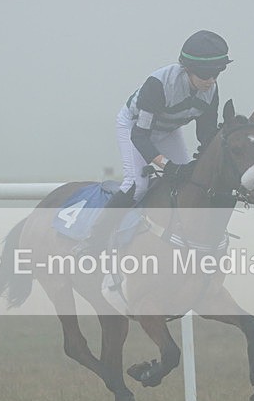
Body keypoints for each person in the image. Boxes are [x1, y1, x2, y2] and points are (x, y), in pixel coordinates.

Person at [77, 30, 232, 254]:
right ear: (188, 69)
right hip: (134, 127)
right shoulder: (158, 84)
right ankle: (92, 241)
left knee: (189, 181)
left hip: (168, 129)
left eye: (216, 74)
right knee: (136, 185)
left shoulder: (211, 90)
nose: (211, 81)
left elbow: (205, 135)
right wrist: (166, 165)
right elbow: (141, 136)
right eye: (206, 75)